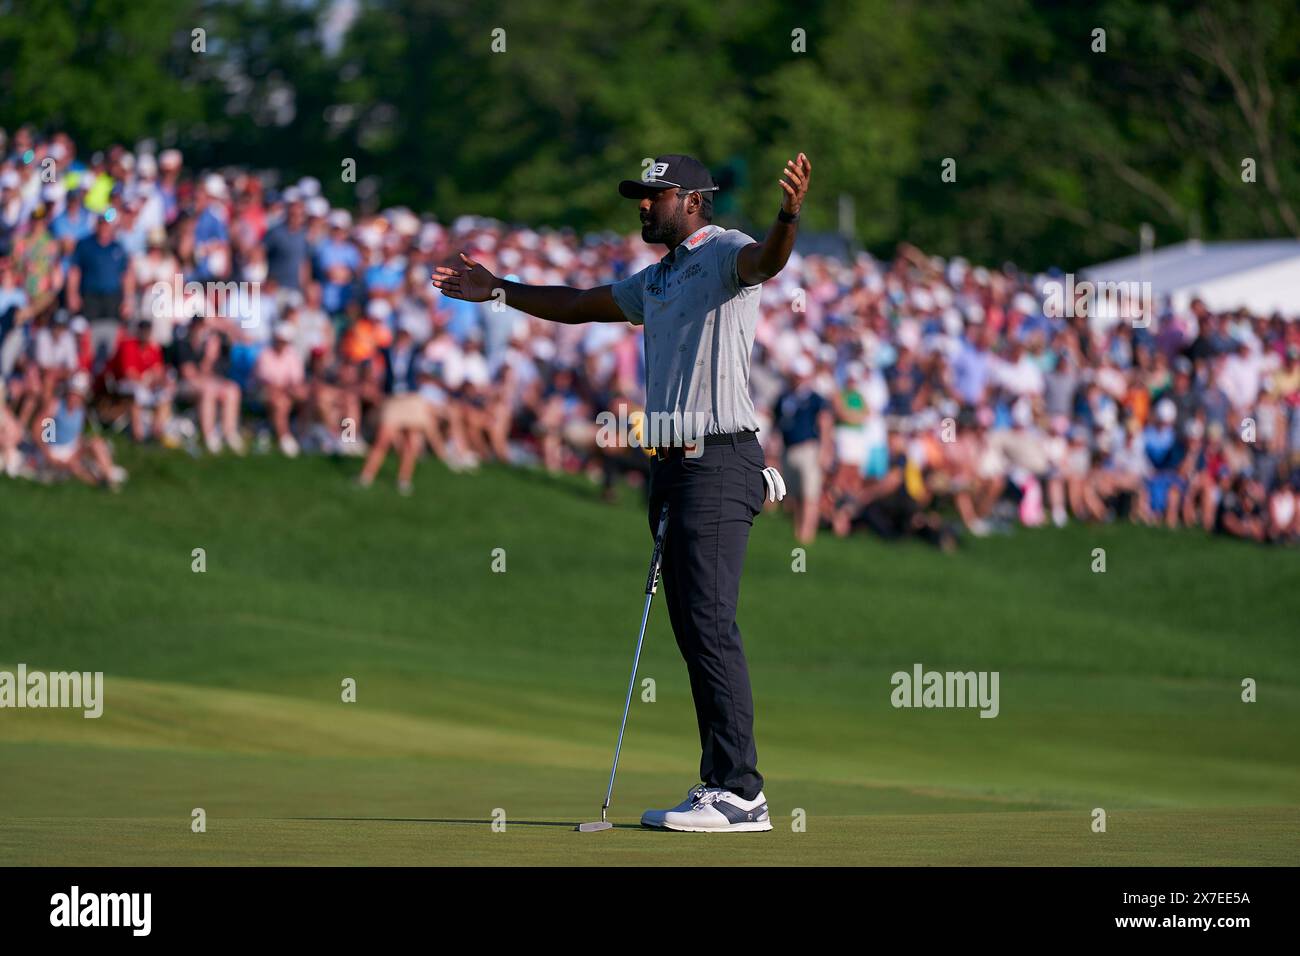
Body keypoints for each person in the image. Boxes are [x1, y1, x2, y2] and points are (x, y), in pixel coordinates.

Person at [432, 151, 812, 832]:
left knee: (708, 620)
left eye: (655, 195)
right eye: (640, 195)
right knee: (692, 625)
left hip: (719, 459)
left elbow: (770, 263)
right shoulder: (657, 279)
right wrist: (498, 289)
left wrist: (788, 215)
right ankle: (720, 781)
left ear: (694, 200)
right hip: (672, 469)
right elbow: (580, 305)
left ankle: (741, 790)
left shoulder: (726, 252)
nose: (643, 205)